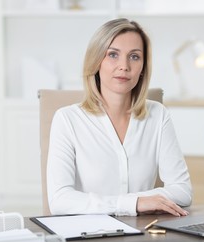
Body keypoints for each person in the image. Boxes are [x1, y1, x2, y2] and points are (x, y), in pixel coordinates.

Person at [47, 18, 192, 217]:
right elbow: (60, 201)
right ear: (96, 61)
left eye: (134, 57)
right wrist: (135, 203)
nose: (124, 66)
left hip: (143, 234)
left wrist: (135, 203)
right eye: (113, 55)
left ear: (143, 68)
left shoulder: (158, 115)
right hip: (88, 237)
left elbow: (183, 191)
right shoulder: (67, 120)